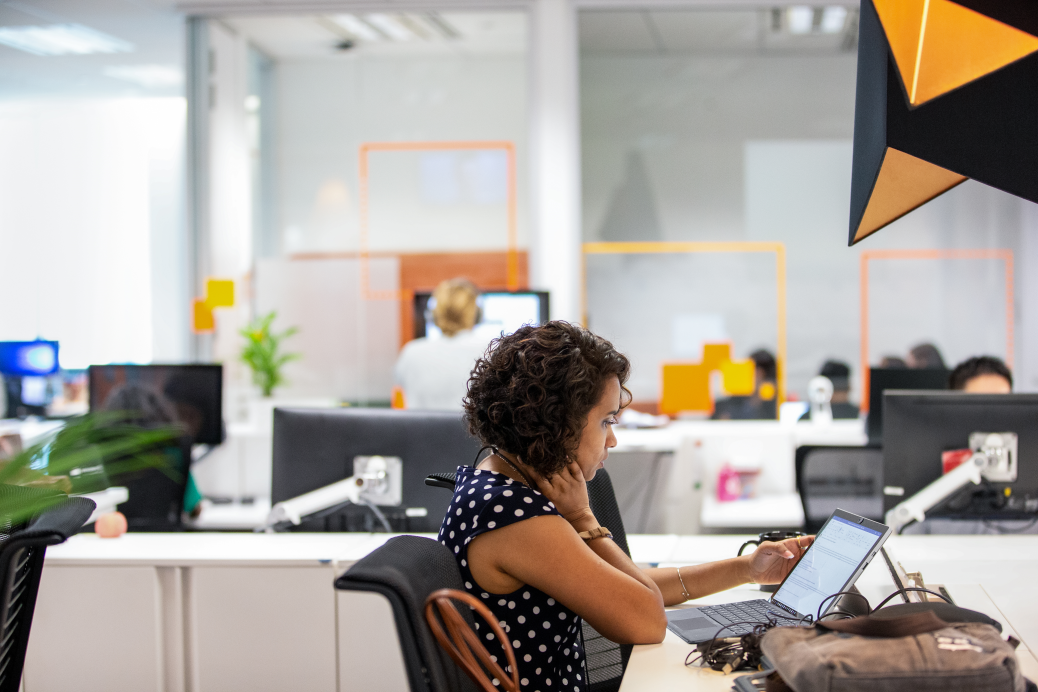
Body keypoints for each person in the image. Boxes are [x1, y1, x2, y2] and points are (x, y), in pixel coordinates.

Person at [442, 322, 812, 690]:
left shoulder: (503, 484)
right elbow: (647, 619)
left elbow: (623, 585)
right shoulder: (513, 516)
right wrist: (582, 519)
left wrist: (747, 569)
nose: (613, 440)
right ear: (558, 422)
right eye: (606, 421)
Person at [394, 278, 489, 411]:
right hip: (471, 432)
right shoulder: (490, 352)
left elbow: (399, 399)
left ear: (434, 315)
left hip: (421, 432)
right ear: (477, 315)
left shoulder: (411, 353)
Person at [712, 348, 778, 420]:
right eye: (753, 369)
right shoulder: (724, 408)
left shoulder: (778, 408)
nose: (758, 376)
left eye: (765, 373)